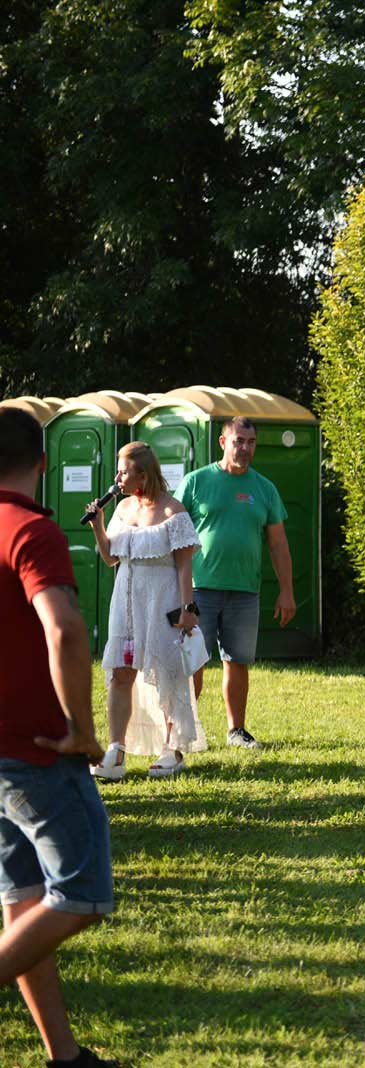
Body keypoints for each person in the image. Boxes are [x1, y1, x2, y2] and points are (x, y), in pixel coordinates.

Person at [0, 407, 119, 1068]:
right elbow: (66, 630)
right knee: (81, 895)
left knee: (23, 904)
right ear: (43, 463)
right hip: (36, 750)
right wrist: (82, 728)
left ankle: (65, 1057)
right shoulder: (31, 529)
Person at [86, 442, 207, 780]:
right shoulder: (123, 508)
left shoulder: (174, 512)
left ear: (143, 473)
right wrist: (98, 526)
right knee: (120, 672)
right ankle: (116, 750)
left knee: (168, 673)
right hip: (125, 600)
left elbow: (185, 568)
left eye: (124, 471)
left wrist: (188, 610)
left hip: (162, 599)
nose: (117, 477)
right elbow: (111, 558)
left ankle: (173, 747)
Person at [181, 417, 295, 750]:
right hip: (199, 588)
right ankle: (186, 729)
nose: (244, 448)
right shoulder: (196, 482)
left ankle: (237, 731)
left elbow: (278, 544)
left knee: (238, 660)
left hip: (245, 591)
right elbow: (174, 535)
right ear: (223, 442)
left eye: (250, 442)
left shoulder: (264, 488)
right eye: (238, 441)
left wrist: (287, 591)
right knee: (193, 661)